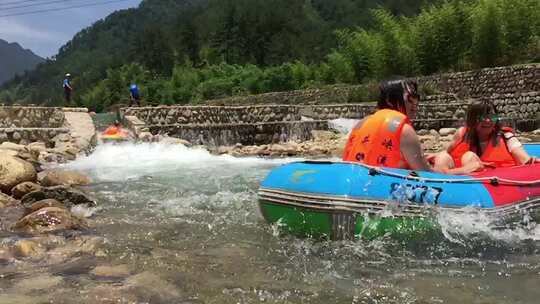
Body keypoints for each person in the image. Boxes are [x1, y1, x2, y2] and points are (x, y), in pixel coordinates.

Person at [343, 79, 434, 171]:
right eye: (411, 98)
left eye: (416, 98)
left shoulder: (361, 124)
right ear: (390, 100)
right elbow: (427, 175)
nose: (415, 104)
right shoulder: (404, 131)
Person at [432, 100, 535, 174]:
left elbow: (523, 158)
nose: (488, 121)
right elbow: (447, 152)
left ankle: (447, 174)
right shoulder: (461, 133)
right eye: (483, 117)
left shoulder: (506, 136)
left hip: (493, 180)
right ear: (472, 119)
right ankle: (441, 179)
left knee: (469, 156)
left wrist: (531, 161)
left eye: (492, 117)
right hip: (461, 174)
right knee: (442, 156)